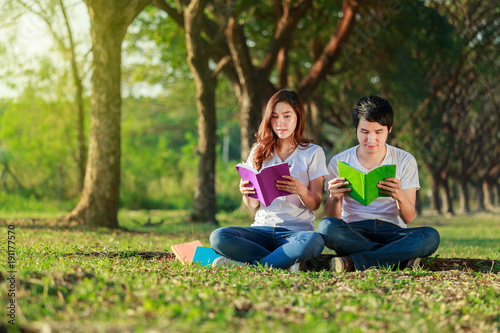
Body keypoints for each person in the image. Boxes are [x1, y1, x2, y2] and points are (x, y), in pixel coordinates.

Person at [318, 95, 440, 272]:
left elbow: (409, 217)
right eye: (365, 132)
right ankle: (396, 258)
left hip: (392, 231)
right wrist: (335, 198)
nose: (371, 140)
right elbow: (332, 218)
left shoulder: (405, 160)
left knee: (430, 236)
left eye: (378, 132)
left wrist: (399, 196)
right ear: (356, 129)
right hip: (354, 231)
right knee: (326, 227)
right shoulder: (339, 161)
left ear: (389, 129)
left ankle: (354, 261)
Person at [210, 89, 328, 271]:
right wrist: (246, 192)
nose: (280, 123)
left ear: (298, 117)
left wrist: (300, 190)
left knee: (314, 240)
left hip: (296, 233)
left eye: (287, 116)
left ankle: (251, 265)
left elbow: (315, 204)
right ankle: (282, 262)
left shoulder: (313, 152)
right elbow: (251, 204)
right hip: (262, 230)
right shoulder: (259, 150)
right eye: (274, 117)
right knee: (219, 237)